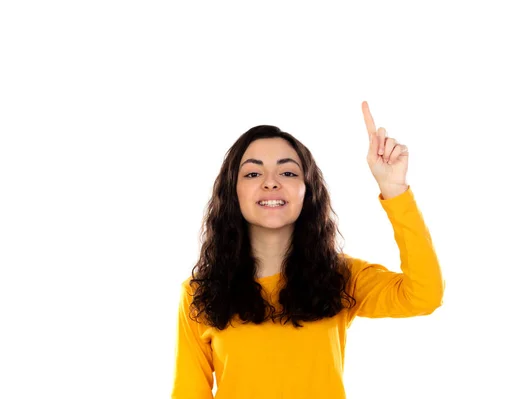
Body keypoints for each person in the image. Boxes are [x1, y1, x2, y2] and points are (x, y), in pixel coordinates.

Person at [171, 101, 445, 398]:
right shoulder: (200, 294)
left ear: (308, 190)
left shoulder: (341, 277)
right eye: (252, 174)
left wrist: (394, 190)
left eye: (288, 173)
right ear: (232, 191)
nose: (271, 183)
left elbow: (424, 295)